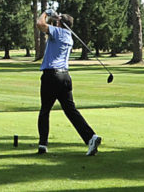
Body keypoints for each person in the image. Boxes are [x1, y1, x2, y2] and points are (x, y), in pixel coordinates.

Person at [35, 10, 100, 156]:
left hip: (51, 76)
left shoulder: (58, 32)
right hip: (65, 77)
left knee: (45, 110)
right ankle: (91, 137)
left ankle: (42, 145)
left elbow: (40, 24)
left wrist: (46, 13)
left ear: (60, 23)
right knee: (71, 111)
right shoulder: (69, 36)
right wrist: (55, 18)